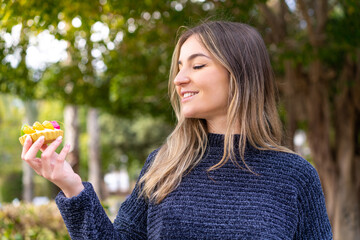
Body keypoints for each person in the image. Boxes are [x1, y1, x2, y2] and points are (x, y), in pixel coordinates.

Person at [21, 21, 333, 239]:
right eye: (180, 67)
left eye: (197, 66)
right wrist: (71, 186)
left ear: (241, 74)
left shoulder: (295, 176)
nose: (179, 79)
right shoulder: (163, 166)